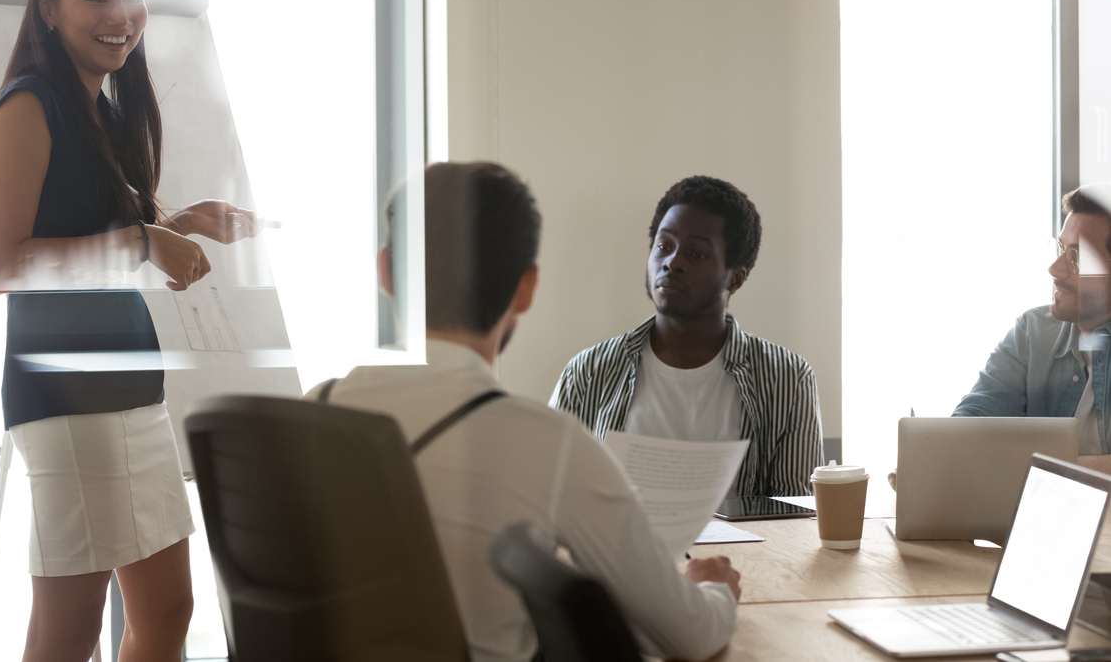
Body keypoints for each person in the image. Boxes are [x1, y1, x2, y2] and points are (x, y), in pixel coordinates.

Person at [306, 163, 740, 662]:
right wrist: (715, 590)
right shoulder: (548, 444)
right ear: (527, 287)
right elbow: (690, 635)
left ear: (385, 272)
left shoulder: (305, 413)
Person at [0, 0, 259, 662]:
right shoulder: (27, 109)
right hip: (68, 401)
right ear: (47, 7)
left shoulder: (100, 108)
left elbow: (94, 225)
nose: (120, 14)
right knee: (70, 631)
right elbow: (3, 265)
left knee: (167, 611)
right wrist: (141, 243)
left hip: (132, 391)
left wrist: (179, 222)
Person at [549, 175, 823, 497]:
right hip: (617, 549)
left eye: (697, 254)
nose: (673, 262)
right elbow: (549, 499)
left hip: (740, 551)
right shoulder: (588, 372)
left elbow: (795, 522)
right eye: (664, 246)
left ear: (735, 278)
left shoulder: (787, 380)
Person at [954, 185, 1111, 474]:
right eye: (1062, 248)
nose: (1054, 268)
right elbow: (973, 425)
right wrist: (934, 459)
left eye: (1077, 257)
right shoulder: (1033, 332)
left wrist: (1023, 464)